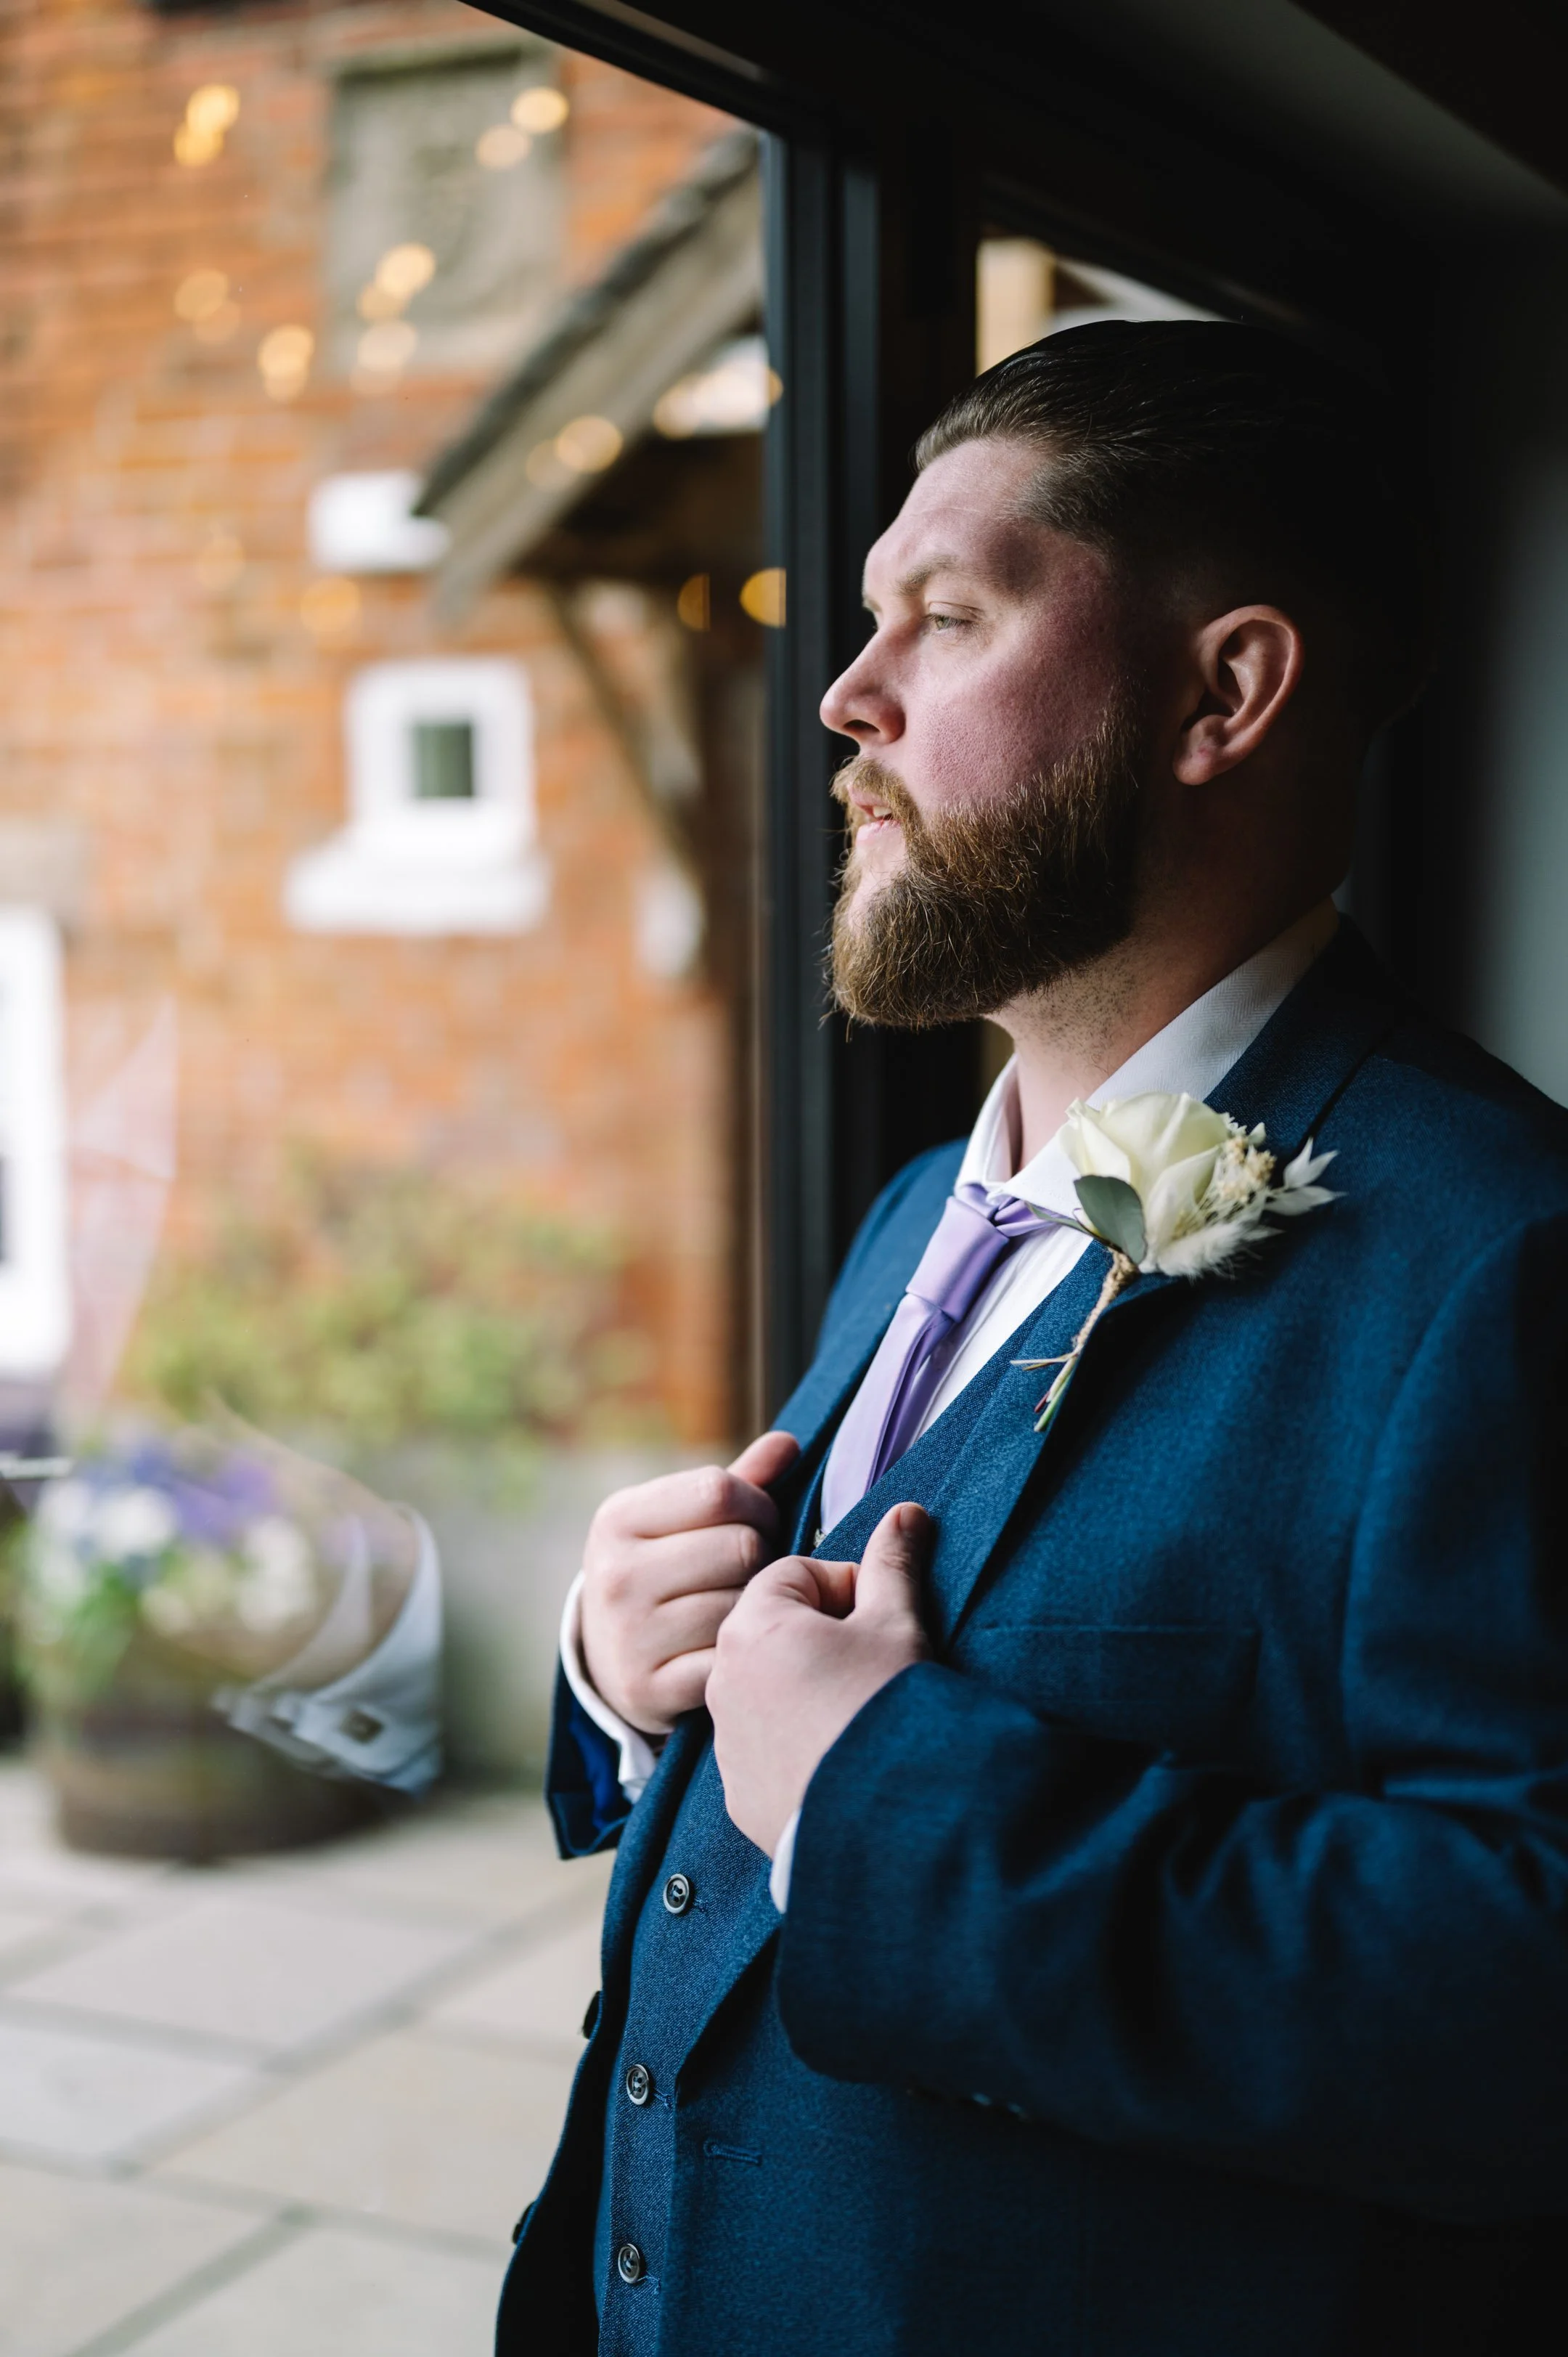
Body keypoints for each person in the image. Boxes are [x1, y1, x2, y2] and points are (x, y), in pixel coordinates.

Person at [499, 322, 1568, 2355]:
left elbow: (1523, 2001)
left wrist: (890, 1796)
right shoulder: (919, 1206)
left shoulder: (1507, 1258)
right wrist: (633, 1677)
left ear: (1223, 694)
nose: (848, 692)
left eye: (951, 615)